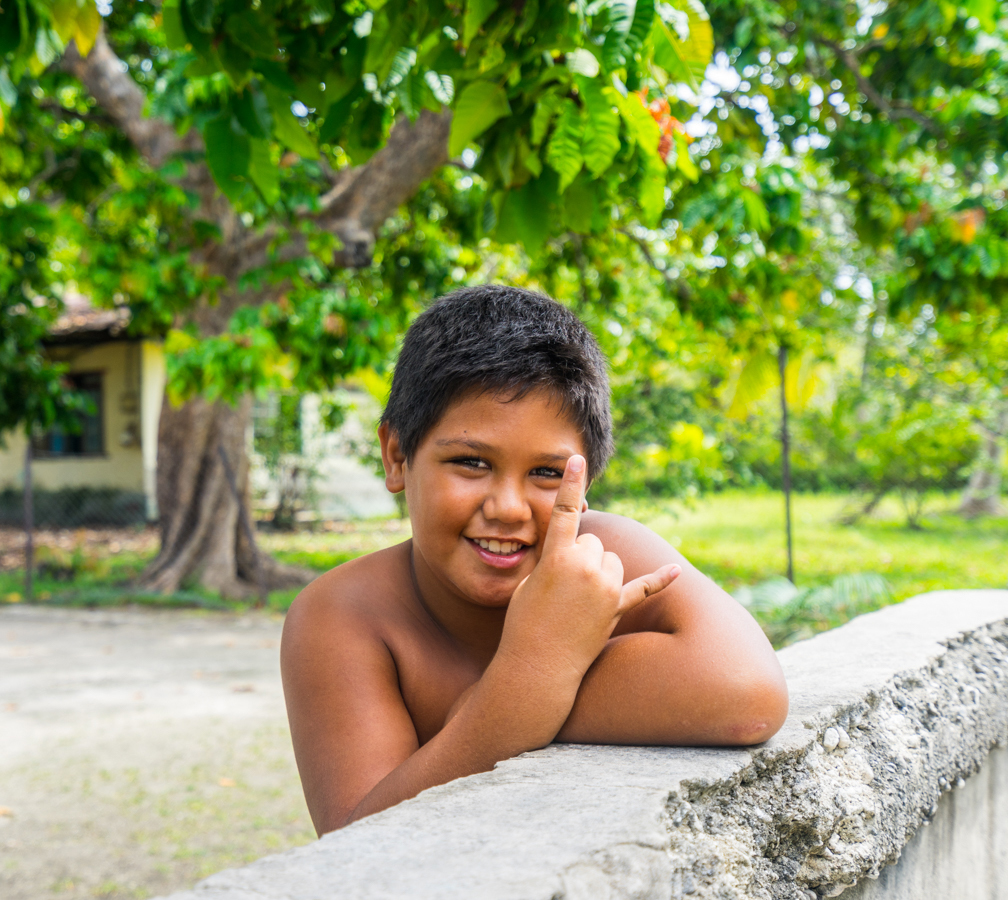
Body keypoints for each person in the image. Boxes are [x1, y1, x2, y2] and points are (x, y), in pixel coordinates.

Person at [281, 285, 788, 836]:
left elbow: (748, 695)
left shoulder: (613, 554)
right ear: (397, 456)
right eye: (471, 462)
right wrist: (530, 677)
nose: (507, 508)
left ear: (587, 479)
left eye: (548, 473)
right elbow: (356, 844)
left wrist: (499, 696)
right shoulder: (343, 616)